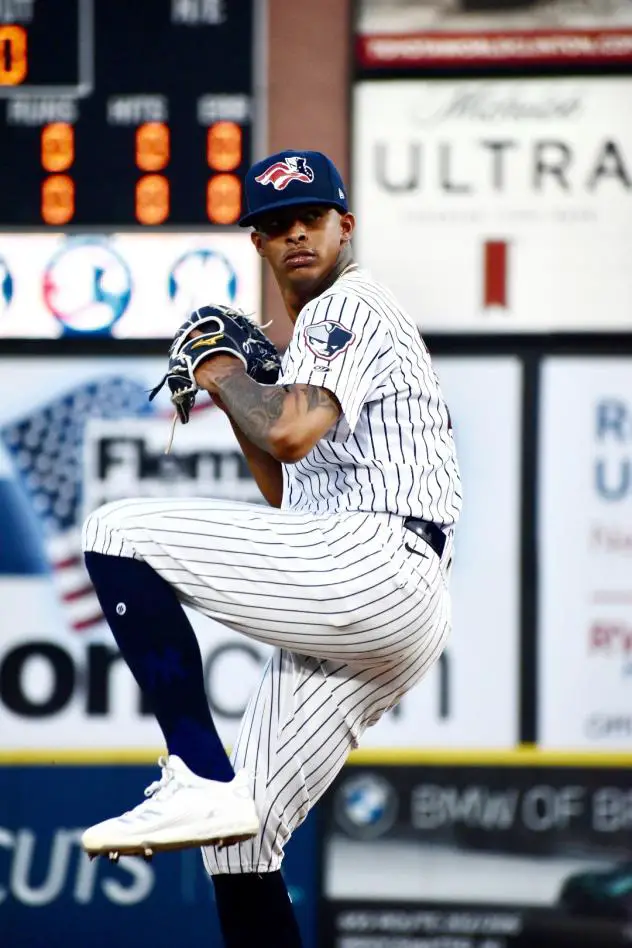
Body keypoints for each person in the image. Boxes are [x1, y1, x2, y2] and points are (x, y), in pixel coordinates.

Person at [80, 149, 462, 947]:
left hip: (376, 561)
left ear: (345, 226)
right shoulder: (301, 354)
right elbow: (288, 487)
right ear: (257, 241)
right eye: (275, 224)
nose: (295, 236)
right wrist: (238, 391)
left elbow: (287, 433)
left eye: (311, 218)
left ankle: (193, 767)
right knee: (242, 839)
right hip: (384, 598)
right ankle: (213, 790)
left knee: (114, 532)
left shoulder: (347, 302)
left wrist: (221, 371)